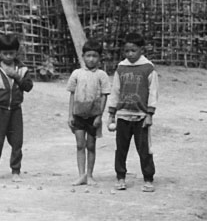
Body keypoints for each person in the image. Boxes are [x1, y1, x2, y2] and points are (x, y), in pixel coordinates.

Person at [107, 32, 158, 192]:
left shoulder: (148, 68)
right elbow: (115, 90)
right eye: (127, 51)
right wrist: (111, 113)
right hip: (122, 115)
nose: (130, 54)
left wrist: (149, 114)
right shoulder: (121, 68)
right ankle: (120, 177)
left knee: (144, 149)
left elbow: (153, 92)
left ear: (141, 49)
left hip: (141, 116)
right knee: (121, 148)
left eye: (133, 50)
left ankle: (148, 178)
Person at [0, 33, 33, 182]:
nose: (8, 56)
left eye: (11, 53)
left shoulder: (22, 69)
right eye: (5, 53)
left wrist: (18, 77)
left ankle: (16, 170)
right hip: (0, 110)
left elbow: (29, 87)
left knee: (17, 141)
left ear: (16, 52)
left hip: (16, 110)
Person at [66, 40, 111, 186]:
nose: (91, 59)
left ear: (100, 58)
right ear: (83, 56)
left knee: (91, 145)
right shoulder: (77, 74)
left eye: (95, 56)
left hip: (93, 117)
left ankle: (90, 175)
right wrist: (70, 115)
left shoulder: (102, 75)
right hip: (78, 115)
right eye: (88, 55)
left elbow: (104, 96)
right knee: (80, 145)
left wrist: (99, 116)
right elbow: (72, 95)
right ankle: (81, 175)